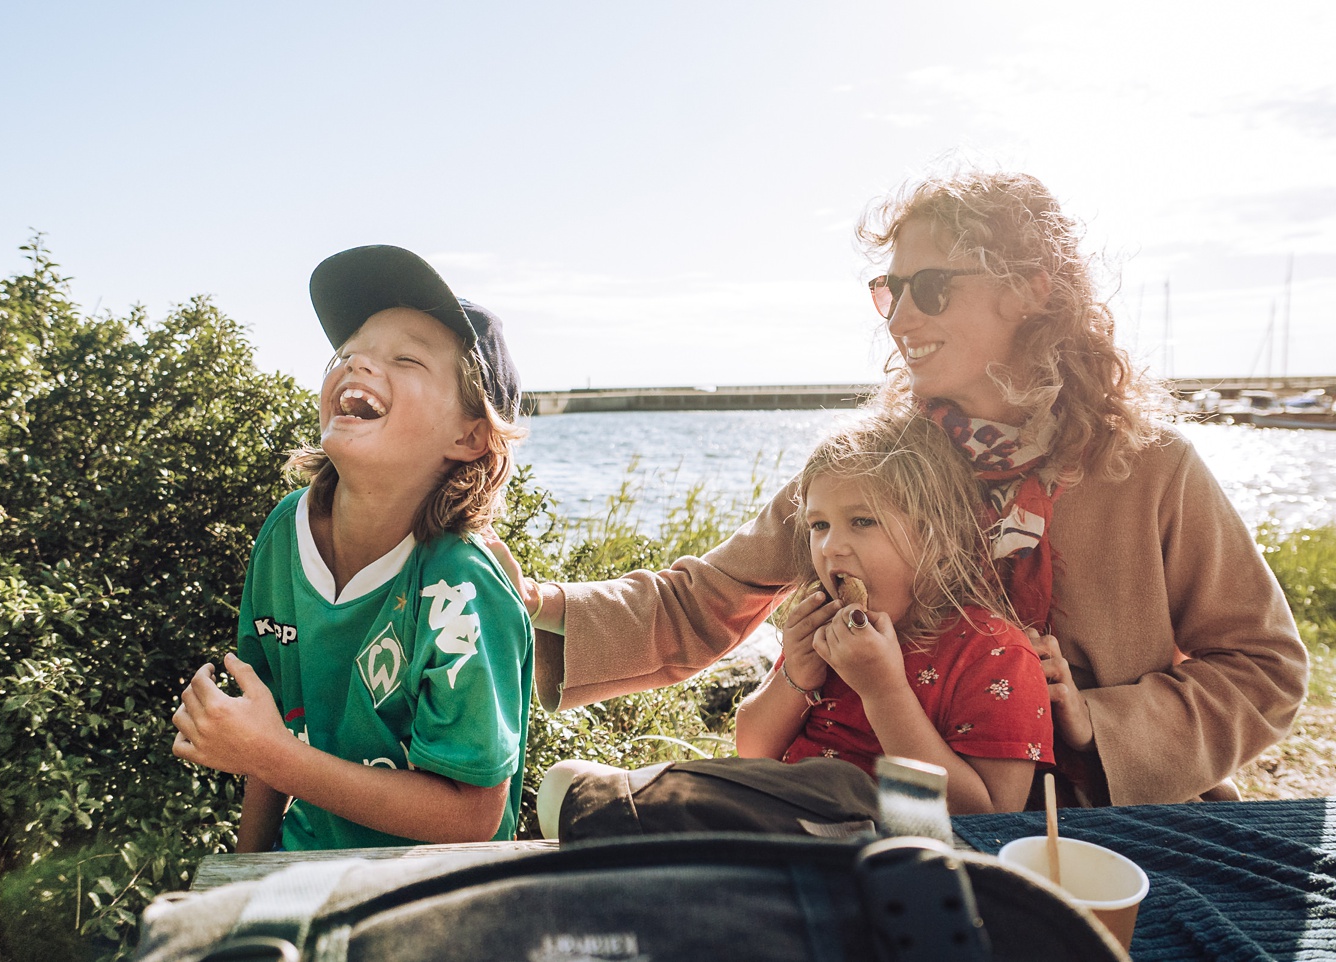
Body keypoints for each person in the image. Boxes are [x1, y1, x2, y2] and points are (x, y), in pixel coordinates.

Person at [494, 168, 1308, 807]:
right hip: (908, 817)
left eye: (930, 287)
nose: (897, 318)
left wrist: (1099, 722)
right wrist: (510, 615)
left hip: (1109, 828)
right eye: (889, 291)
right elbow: (699, 602)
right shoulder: (879, 469)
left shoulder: (1152, 465)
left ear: (1032, 288)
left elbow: (1264, 667)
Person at [173, 244, 534, 850]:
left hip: (429, 900)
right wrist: (245, 879)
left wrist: (273, 754)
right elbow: (276, 717)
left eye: (406, 359)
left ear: (470, 435)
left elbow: (472, 818)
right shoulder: (286, 530)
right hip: (302, 868)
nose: (357, 365)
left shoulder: (460, 588)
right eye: (347, 353)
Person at [733, 412, 1052, 814]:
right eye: (819, 525)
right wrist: (795, 675)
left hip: (897, 854)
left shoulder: (995, 655)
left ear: (937, 536)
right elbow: (751, 751)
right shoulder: (826, 630)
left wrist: (882, 691)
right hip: (786, 827)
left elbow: (988, 815)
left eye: (862, 521)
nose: (831, 546)